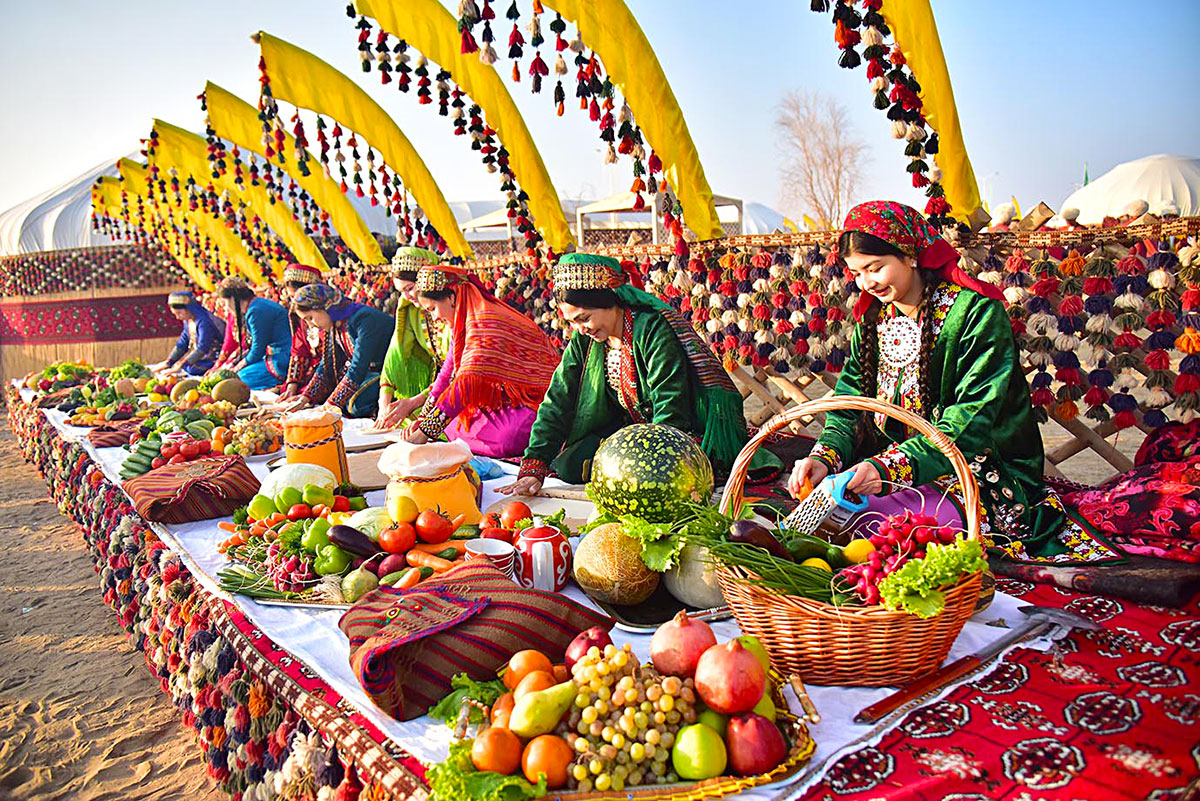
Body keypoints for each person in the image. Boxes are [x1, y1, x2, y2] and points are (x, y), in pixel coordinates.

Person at [787, 200, 1116, 563]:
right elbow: (848, 406)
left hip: (979, 471)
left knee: (887, 537)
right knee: (820, 526)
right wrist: (825, 456)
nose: (866, 283)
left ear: (910, 254)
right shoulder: (874, 318)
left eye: (875, 268)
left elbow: (971, 419)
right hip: (889, 472)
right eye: (856, 273)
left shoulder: (974, 314)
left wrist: (885, 468)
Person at [499, 253, 780, 494]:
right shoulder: (585, 340)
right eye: (573, 322)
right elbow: (558, 399)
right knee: (569, 464)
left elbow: (671, 404)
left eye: (584, 318)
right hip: (630, 431)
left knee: (647, 476)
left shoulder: (652, 329)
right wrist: (533, 466)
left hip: (679, 432)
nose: (580, 328)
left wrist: (649, 462)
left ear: (609, 302)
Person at [400, 264, 559, 458]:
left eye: (433, 309)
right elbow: (446, 374)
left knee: (508, 437)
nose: (435, 318)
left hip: (533, 402)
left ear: (451, 298)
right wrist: (424, 417)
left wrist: (425, 431)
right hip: (501, 403)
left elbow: (466, 381)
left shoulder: (486, 322)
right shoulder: (462, 325)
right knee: (453, 420)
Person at [287, 283, 393, 418]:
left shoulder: (364, 319)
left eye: (310, 318)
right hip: (369, 374)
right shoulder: (336, 325)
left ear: (325, 307)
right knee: (339, 397)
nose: (310, 325)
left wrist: (330, 405)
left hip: (388, 374)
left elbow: (358, 367)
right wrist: (304, 398)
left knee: (354, 404)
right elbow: (327, 365)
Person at [373, 247, 442, 430]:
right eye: (401, 292)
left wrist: (414, 402)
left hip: (457, 386)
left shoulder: (449, 307)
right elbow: (395, 356)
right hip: (438, 386)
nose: (407, 297)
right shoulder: (410, 310)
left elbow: (457, 369)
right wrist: (383, 403)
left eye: (410, 288)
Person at [214, 277, 291, 390]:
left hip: (283, 356)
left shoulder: (256, 311)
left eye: (225, 303)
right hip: (273, 354)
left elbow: (258, 349)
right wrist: (234, 363)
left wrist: (238, 366)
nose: (225, 308)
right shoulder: (255, 306)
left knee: (240, 378)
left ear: (233, 298)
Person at [149, 291, 225, 377]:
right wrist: (169, 362)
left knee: (190, 368)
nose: (178, 317)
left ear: (189, 308)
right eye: (175, 314)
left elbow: (203, 347)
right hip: (202, 358)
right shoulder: (189, 321)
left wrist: (182, 365)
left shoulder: (204, 321)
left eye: (179, 313)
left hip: (214, 358)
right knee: (186, 367)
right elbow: (183, 343)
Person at [276, 264, 323, 401]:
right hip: (311, 372)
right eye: (291, 297)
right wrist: (292, 385)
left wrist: (306, 395)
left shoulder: (327, 317)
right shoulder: (300, 318)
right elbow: (298, 351)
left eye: (299, 295)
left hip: (328, 372)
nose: (296, 302)